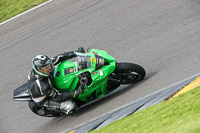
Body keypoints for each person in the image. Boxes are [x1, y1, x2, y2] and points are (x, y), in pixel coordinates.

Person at [28, 47, 85, 115]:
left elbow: (60, 57)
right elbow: (58, 97)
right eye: (46, 68)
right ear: (39, 70)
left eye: (49, 66)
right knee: (71, 105)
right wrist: (76, 92)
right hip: (45, 99)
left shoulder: (46, 65)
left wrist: (76, 53)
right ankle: (63, 110)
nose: (49, 68)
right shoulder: (44, 85)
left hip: (48, 83)